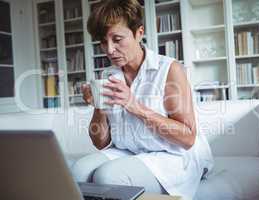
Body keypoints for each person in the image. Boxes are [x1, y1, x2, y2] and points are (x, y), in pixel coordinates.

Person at [74, 0, 213, 199]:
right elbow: (100, 143)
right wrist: (99, 105)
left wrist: (134, 106)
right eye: (103, 41)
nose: (109, 50)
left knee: (107, 176)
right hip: (130, 151)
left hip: (174, 155)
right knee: (78, 171)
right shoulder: (108, 75)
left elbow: (188, 137)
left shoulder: (170, 70)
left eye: (117, 39)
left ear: (139, 32)